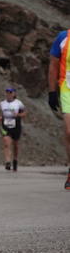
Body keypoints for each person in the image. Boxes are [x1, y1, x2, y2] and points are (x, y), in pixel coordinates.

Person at [47, 30, 70, 190]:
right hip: (67, 89)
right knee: (69, 132)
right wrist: (52, 92)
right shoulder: (63, 38)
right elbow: (53, 66)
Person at [0, 87, 25, 172]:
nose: (8, 94)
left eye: (10, 92)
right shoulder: (2, 103)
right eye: (7, 92)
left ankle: (15, 160)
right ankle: (7, 162)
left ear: (14, 94)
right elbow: (3, 114)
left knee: (15, 145)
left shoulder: (18, 103)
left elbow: (24, 113)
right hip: (5, 125)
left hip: (16, 125)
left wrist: (18, 115)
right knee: (6, 142)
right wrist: (0, 118)